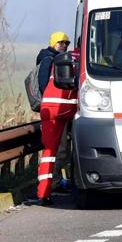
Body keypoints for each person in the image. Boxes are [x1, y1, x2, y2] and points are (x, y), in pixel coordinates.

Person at [29, 31, 78, 206]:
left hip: (54, 109)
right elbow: (44, 84)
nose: (64, 45)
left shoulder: (60, 59)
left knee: (51, 152)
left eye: (66, 42)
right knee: (57, 150)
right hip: (57, 109)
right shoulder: (50, 60)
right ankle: (50, 187)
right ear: (54, 43)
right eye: (61, 42)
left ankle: (45, 191)